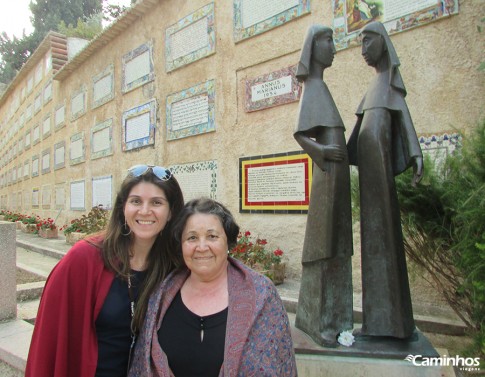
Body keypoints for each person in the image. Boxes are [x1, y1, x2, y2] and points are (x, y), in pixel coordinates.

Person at [25, 165, 185, 377]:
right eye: (136, 201)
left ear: (171, 211)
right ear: (122, 208)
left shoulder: (174, 266)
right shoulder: (84, 258)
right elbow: (48, 340)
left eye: (156, 202)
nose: (145, 211)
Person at [129, 198, 297, 376]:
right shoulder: (161, 296)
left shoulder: (262, 294)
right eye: (192, 238)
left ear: (228, 241)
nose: (202, 247)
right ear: (181, 245)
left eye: (212, 236)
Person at [347, 21, 423, 338]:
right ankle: (377, 322)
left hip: (380, 177)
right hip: (369, 177)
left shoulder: (390, 85)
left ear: (381, 43)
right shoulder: (373, 87)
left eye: (367, 42)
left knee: (384, 244)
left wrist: (416, 155)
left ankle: (392, 323)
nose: (363, 49)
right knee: (372, 244)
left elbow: (403, 120)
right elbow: (358, 134)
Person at [293, 24, 353, 348]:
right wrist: (324, 152)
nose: (333, 47)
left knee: (338, 241)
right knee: (325, 241)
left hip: (337, 175)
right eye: (328, 40)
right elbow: (301, 134)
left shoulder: (322, 87)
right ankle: (320, 321)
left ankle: (337, 318)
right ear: (313, 46)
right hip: (327, 175)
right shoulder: (313, 88)